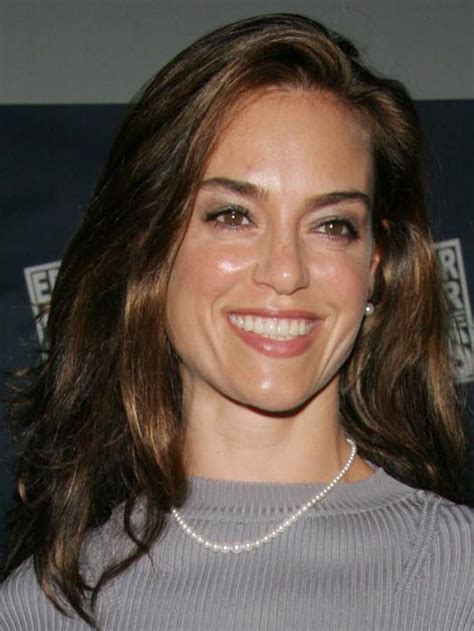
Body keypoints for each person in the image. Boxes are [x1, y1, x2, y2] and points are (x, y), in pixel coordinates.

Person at [0, 13, 472, 631]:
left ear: (375, 266)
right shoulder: (49, 605)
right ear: (150, 247)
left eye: (332, 225)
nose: (285, 271)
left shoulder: (457, 573)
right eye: (232, 215)